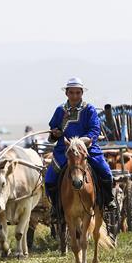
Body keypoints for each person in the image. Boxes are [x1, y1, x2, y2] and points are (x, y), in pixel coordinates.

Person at [45, 77, 114, 208]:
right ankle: (56, 207)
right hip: (64, 150)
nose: (75, 96)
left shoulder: (89, 109)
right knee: (49, 179)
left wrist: (82, 142)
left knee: (105, 171)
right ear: (66, 93)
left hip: (87, 149)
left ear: (82, 93)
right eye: (71, 92)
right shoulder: (60, 110)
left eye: (78, 93)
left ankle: (108, 200)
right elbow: (54, 130)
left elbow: (95, 129)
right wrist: (55, 133)